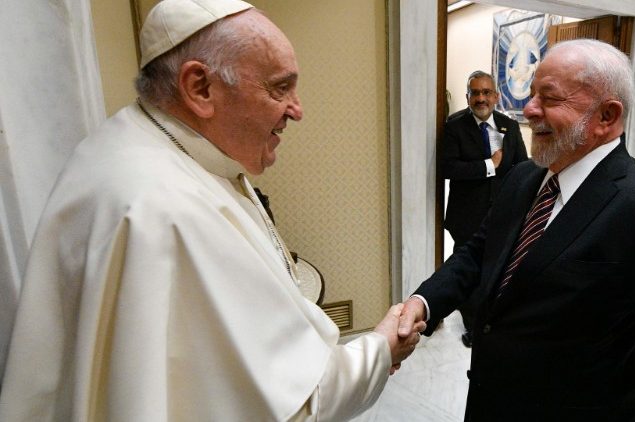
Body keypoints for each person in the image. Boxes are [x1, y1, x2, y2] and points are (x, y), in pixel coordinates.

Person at [0, 0, 424, 420]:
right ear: (200, 87)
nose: (297, 109)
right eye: (280, 87)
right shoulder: (168, 210)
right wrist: (383, 345)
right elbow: (296, 408)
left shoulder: (127, 142)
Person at [398, 39, 635, 421]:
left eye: (548, 98)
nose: (529, 109)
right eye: (531, 93)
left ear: (606, 116)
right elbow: (478, 252)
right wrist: (423, 302)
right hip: (489, 401)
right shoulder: (523, 178)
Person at [444, 70, 528, 347]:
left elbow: (521, 165)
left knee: (497, 267)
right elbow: (448, 168)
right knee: (469, 268)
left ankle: (492, 317)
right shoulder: (454, 126)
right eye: (475, 93)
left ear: (496, 95)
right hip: (466, 215)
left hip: (503, 213)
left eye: (486, 92)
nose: (481, 98)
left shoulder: (509, 125)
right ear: (468, 97)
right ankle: (472, 325)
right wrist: (489, 165)